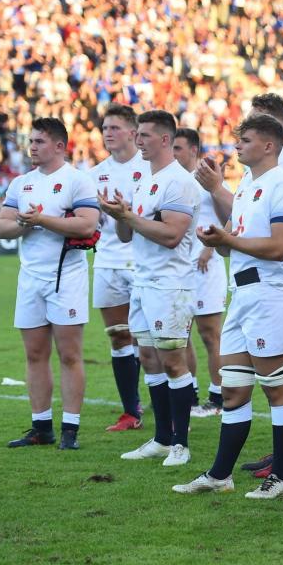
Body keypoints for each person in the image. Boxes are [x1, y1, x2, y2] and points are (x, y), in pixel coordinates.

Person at [172, 114, 283, 499]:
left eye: (245, 140)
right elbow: (245, 237)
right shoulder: (249, 185)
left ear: (268, 145)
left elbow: (280, 248)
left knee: (277, 390)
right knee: (233, 390)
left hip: (272, 296)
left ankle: (281, 477)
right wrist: (219, 236)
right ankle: (219, 475)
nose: (237, 146)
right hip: (243, 297)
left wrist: (227, 238)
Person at [100, 109, 200, 467]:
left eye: (143, 135)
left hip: (169, 285)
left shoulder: (179, 181)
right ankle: (160, 438)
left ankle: (181, 444)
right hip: (142, 281)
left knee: (173, 362)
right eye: (137, 134)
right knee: (149, 359)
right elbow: (129, 234)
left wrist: (131, 218)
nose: (137, 140)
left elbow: (172, 235)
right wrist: (120, 216)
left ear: (163, 139)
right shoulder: (144, 180)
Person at [0, 117, 99, 450]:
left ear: (59, 145)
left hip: (65, 278)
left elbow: (87, 225)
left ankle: (70, 430)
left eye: (39, 142)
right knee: (34, 354)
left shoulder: (77, 181)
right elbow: (3, 226)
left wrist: (41, 219)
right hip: (30, 278)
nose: (32, 148)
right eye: (31, 142)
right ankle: (41, 427)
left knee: (69, 354)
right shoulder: (21, 183)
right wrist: (26, 225)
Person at [91, 104, 146, 432]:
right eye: (104, 128)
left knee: (149, 339)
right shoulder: (94, 174)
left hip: (143, 263)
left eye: (114, 127)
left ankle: (172, 407)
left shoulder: (149, 168)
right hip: (108, 262)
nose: (107, 133)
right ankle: (131, 411)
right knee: (118, 337)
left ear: (132, 132)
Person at [172, 128, 226, 418]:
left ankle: (217, 398)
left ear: (193, 150)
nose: (174, 153)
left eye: (178, 148)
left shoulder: (208, 175)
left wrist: (212, 248)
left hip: (206, 265)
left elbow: (230, 214)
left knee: (210, 334)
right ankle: (189, 394)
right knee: (181, 333)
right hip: (180, 266)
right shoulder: (171, 178)